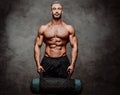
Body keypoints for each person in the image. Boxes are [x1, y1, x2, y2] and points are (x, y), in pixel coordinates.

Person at [34, 0, 78, 81]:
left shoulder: (68, 28)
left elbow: (74, 46)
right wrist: (38, 64)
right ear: (51, 11)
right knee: (45, 88)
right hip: (47, 61)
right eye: (54, 9)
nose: (56, 11)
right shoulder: (43, 28)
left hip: (63, 61)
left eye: (59, 9)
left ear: (62, 11)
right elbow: (37, 45)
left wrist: (72, 64)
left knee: (65, 88)